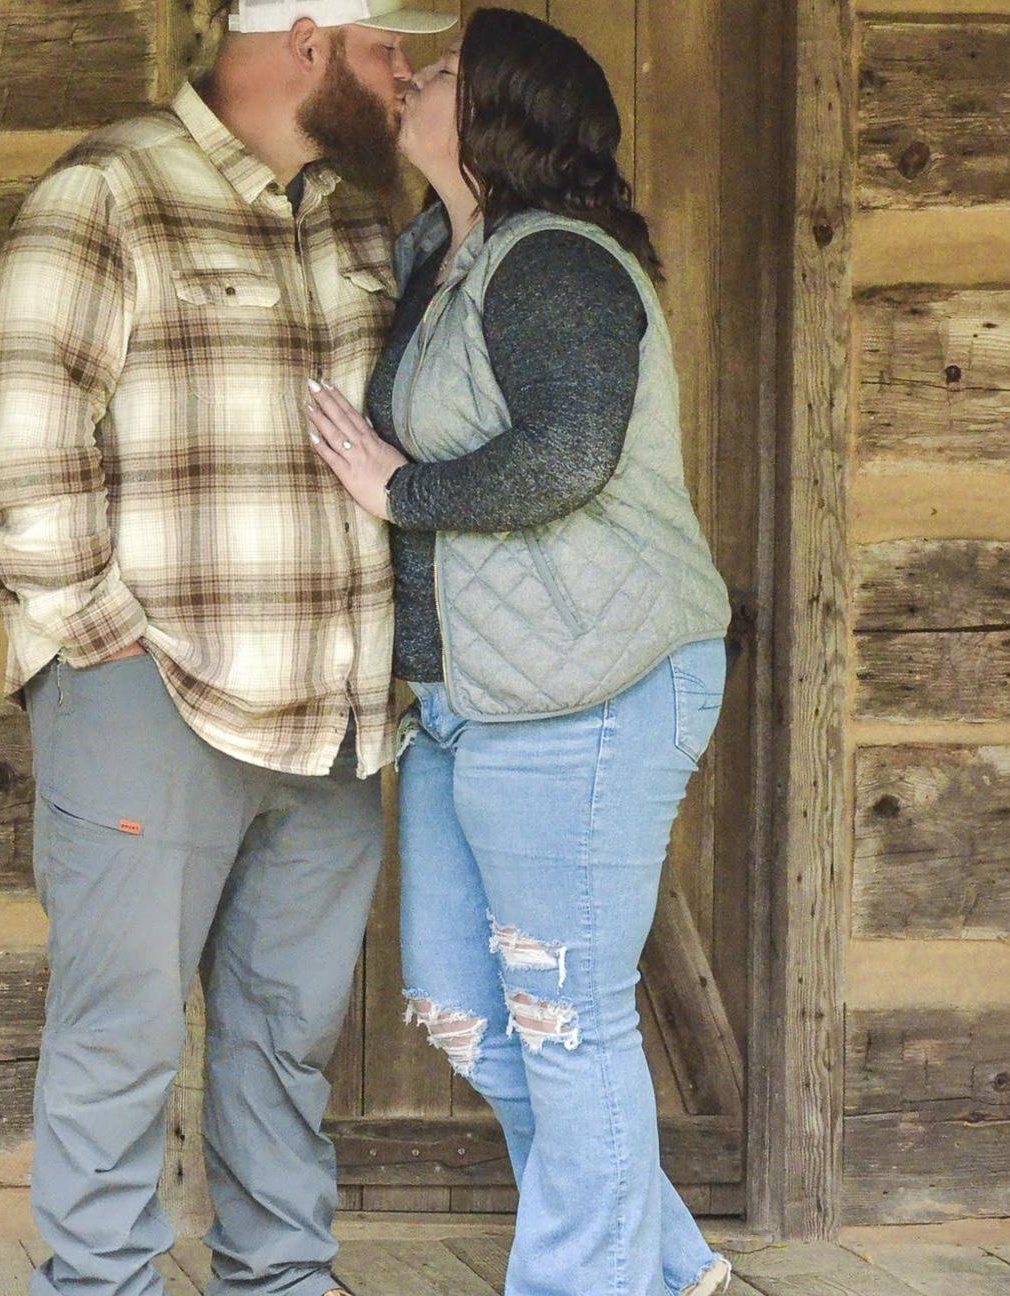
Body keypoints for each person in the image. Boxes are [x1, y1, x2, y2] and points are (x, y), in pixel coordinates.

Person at [0, 3, 456, 1295]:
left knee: (283, 1049)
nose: (406, 75)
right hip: (151, 695)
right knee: (121, 1041)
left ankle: (283, 1282)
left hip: (336, 720)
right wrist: (106, 650)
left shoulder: (358, 217)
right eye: (389, 49)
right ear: (309, 41)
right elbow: (26, 435)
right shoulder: (108, 193)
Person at [305, 9, 735, 1295]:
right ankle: (668, 1264)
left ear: (495, 112)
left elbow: (569, 452)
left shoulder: (553, 262)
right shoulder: (446, 257)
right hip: (473, 701)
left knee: (563, 1019)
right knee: (467, 1008)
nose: (415, 80)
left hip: (589, 693)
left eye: (441, 72)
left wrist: (401, 493)